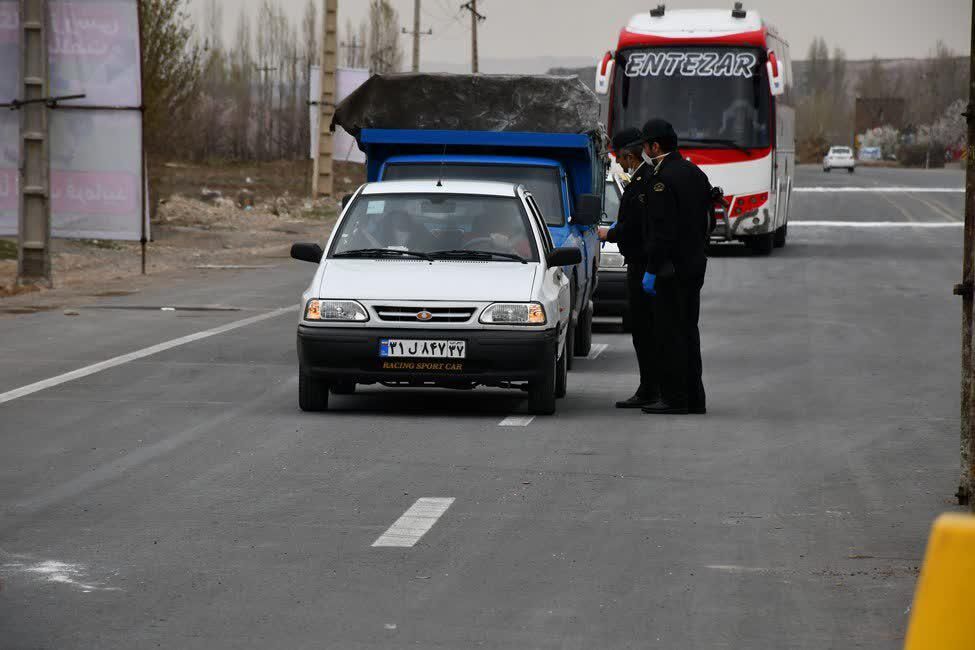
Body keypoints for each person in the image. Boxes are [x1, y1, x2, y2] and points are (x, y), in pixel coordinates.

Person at [637, 118, 712, 416]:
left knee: (670, 334)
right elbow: (710, 220)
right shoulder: (695, 172)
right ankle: (695, 396)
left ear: (655, 146)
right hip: (694, 264)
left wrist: (652, 268)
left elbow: (662, 232)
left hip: (671, 269)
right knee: (689, 331)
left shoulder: (661, 179)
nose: (644, 150)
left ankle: (675, 397)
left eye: (645, 145)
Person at [599, 127, 659, 409]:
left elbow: (636, 225)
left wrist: (609, 234)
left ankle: (650, 389)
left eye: (621, 158)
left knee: (646, 333)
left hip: (642, 265)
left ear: (628, 155)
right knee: (643, 333)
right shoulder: (642, 179)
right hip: (640, 262)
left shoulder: (644, 181)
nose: (619, 163)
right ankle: (649, 387)